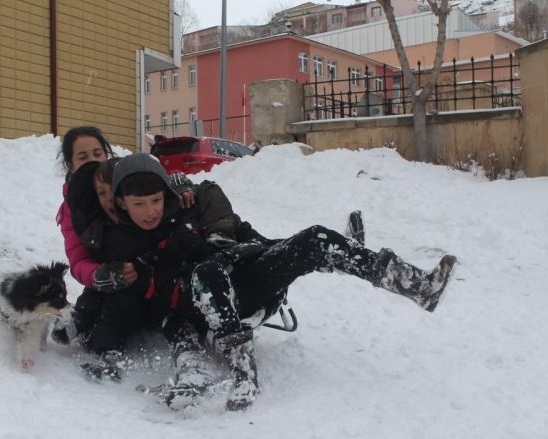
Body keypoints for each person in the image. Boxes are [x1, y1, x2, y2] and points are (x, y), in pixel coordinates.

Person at [89, 153, 457, 411]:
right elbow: (129, 304)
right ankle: (243, 369)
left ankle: (414, 284)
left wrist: (256, 246)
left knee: (314, 238)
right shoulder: (124, 249)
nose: (150, 211)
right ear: (121, 203)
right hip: (200, 308)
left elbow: (237, 228)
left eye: (155, 200)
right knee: (205, 273)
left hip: (246, 284)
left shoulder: (189, 203)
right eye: (139, 204)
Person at [52, 126, 194, 344]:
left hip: (152, 269)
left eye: (97, 154)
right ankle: (81, 320)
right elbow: (78, 259)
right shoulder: (74, 209)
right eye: (83, 157)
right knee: (103, 298)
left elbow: (156, 183)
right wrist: (99, 275)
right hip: (112, 274)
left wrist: (179, 186)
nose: (93, 161)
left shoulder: (126, 178)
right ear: (70, 165)